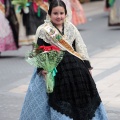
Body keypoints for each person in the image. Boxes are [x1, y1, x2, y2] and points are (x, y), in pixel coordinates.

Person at [20, 0, 108, 120]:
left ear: (66, 14)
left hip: (76, 70)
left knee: (81, 98)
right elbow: (38, 50)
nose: (59, 16)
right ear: (49, 14)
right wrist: (43, 68)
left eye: (61, 13)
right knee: (56, 99)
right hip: (53, 70)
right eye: (55, 13)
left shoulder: (71, 28)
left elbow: (80, 47)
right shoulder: (44, 30)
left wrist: (87, 66)